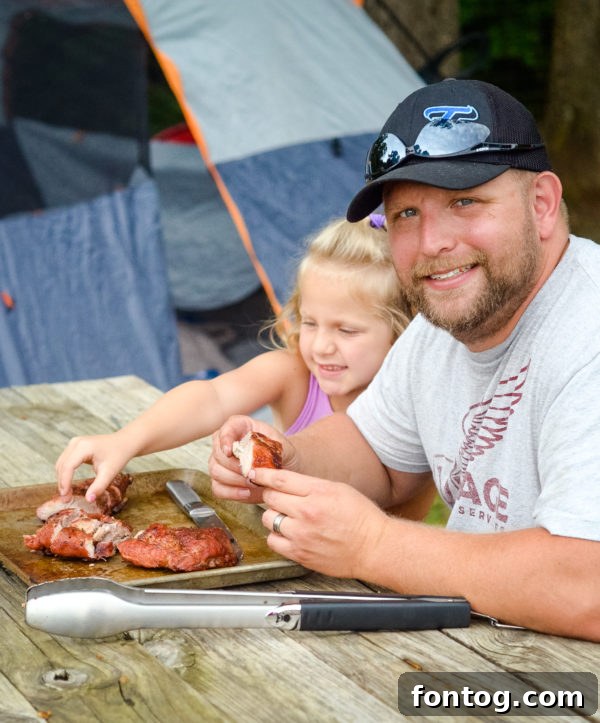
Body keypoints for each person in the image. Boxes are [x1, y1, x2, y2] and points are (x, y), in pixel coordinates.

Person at [209, 78, 600, 642]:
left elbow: (585, 589)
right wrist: (285, 457)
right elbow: (380, 460)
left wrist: (372, 546)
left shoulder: (587, 332)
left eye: (465, 201)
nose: (432, 241)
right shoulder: (441, 327)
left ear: (541, 204)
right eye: (406, 214)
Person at [56, 215, 434, 517]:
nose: (320, 346)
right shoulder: (294, 375)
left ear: (405, 333)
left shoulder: (422, 400)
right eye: (310, 322)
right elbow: (212, 397)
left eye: (347, 330)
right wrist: (126, 440)